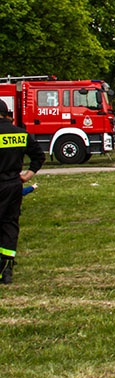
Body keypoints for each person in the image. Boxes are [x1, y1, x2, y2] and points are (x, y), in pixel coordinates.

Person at [0, 99, 46, 284]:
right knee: (10, 225)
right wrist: (28, 175)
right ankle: (6, 270)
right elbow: (39, 156)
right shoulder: (20, 134)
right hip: (13, 185)